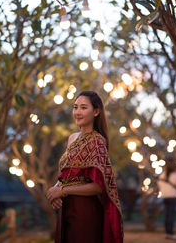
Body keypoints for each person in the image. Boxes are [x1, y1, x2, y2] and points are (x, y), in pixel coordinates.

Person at [46, 90, 123, 243]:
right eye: (75, 107)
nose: (78, 112)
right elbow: (66, 174)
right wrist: (54, 190)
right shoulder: (72, 138)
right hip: (66, 206)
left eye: (83, 107)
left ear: (96, 111)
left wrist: (62, 190)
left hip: (85, 210)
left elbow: (99, 187)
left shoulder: (97, 141)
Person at [157, 164, 176, 240]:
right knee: (171, 215)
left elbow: (159, 185)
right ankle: (170, 233)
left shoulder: (161, 175)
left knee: (167, 214)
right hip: (173, 196)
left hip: (165, 196)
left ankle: (167, 233)